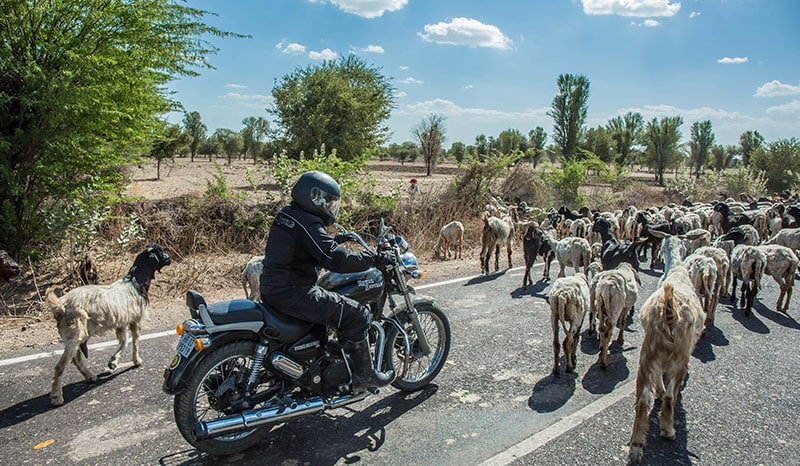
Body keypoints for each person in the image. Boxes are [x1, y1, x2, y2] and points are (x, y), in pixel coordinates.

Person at [259, 171, 394, 392]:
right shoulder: (308, 222)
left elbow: (305, 247)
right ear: (314, 197)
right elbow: (335, 258)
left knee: (328, 311)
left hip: (274, 288)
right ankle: (364, 377)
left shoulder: (288, 214)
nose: (330, 206)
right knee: (358, 314)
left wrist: (334, 240)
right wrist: (373, 258)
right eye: (327, 201)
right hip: (294, 292)